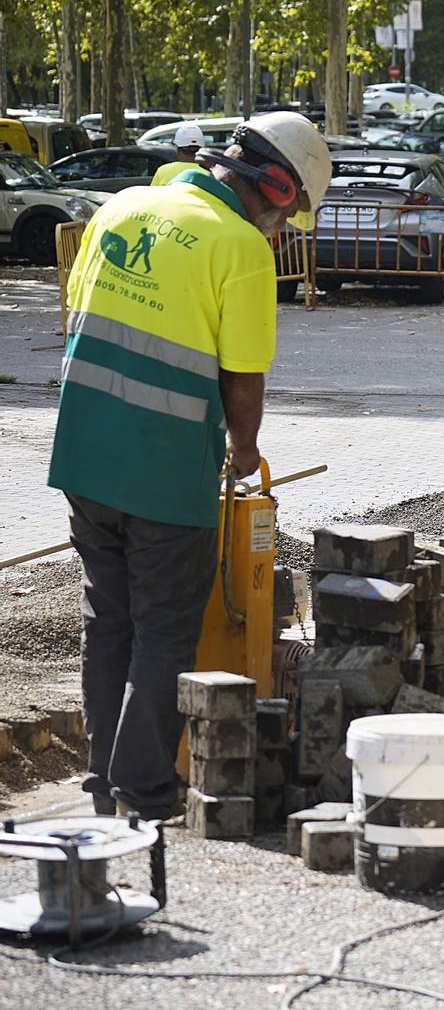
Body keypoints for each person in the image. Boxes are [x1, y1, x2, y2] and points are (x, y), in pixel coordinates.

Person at [49, 112, 331, 819]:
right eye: (286, 213)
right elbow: (242, 378)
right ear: (272, 184)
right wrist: (244, 453)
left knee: (107, 620)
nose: (281, 229)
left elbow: (79, 318)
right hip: (165, 467)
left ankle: (100, 786)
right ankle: (144, 788)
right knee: (165, 628)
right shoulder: (237, 246)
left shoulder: (123, 206)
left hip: (82, 452)